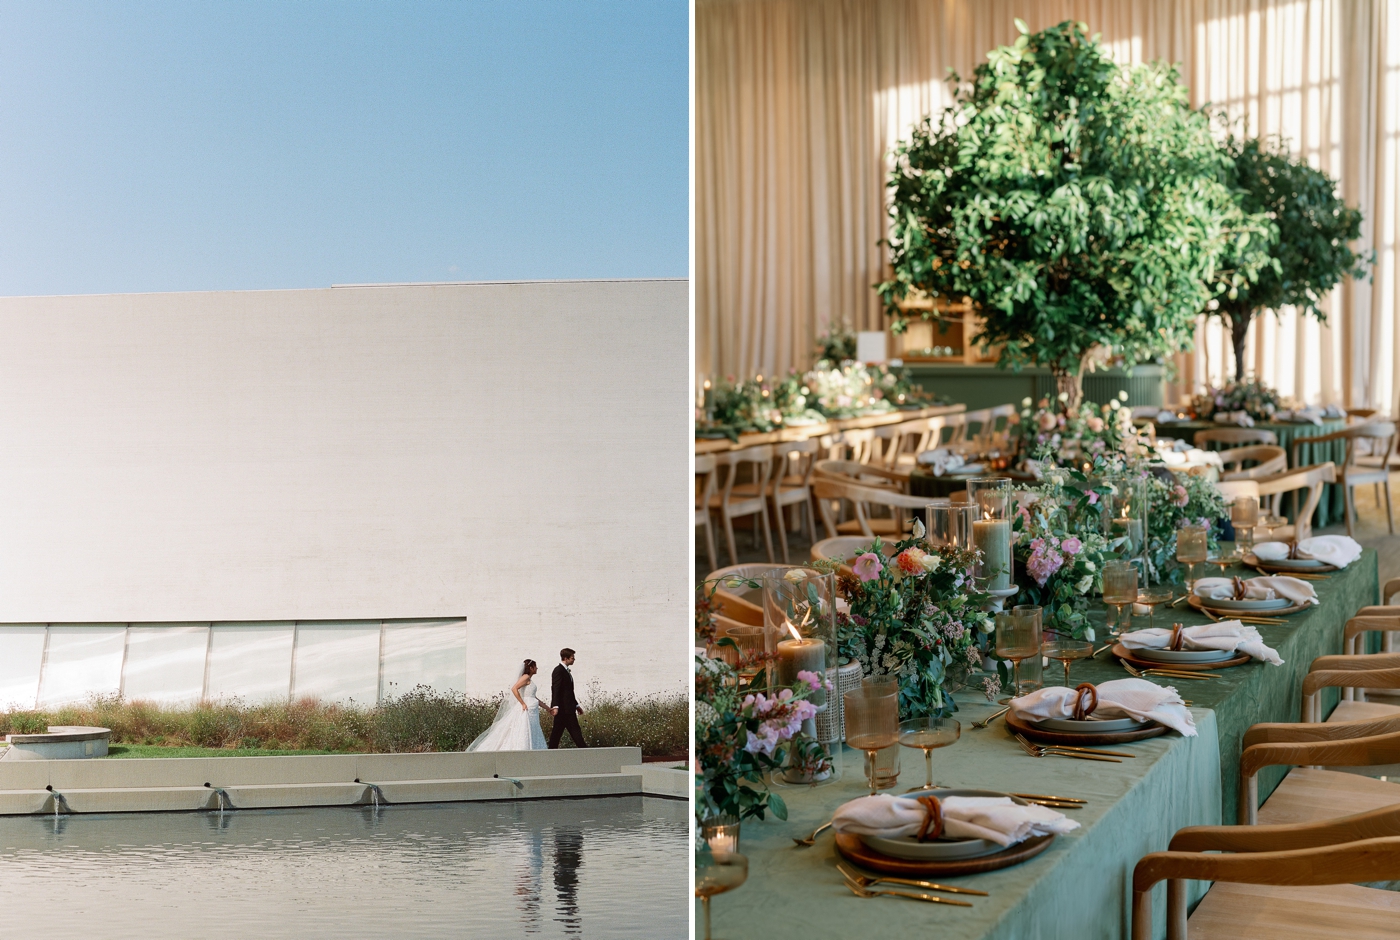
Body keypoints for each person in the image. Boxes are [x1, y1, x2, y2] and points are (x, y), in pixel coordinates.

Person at [466, 659, 548, 752]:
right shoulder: (525, 677)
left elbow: (533, 697)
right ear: (531, 667)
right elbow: (514, 689)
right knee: (524, 728)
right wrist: (522, 703)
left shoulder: (528, 679)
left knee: (532, 729)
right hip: (527, 708)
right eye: (535, 666)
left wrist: (548, 708)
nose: (537, 668)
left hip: (532, 709)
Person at [548, 648, 588, 749]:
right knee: (560, 733)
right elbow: (556, 689)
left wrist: (577, 705)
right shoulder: (558, 670)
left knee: (565, 732)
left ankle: (584, 750)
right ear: (565, 658)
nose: (574, 660)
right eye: (572, 658)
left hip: (568, 708)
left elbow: (568, 692)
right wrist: (555, 706)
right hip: (563, 709)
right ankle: (585, 750)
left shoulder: (565, 671)